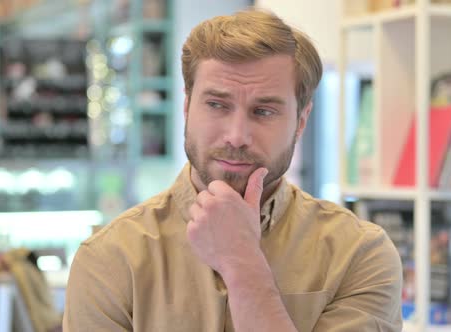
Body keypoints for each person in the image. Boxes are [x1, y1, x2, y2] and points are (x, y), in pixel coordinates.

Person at [63, 8, 402, 332]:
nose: (237, 136)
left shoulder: (359, 255)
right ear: (186, 106)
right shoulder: (110, 259)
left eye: (264, 111)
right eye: (217, 105)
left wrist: (243, 265)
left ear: (301, 121)